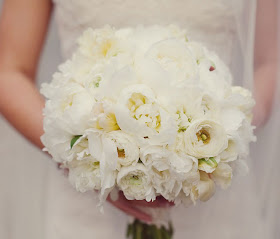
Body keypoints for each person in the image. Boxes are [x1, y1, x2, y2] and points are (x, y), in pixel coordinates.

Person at [0, 0, 278, 238]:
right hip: (88, 206)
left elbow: (269, 65)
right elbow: (9, 72)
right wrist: (82, 157)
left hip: (213, 195)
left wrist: (226, 128)